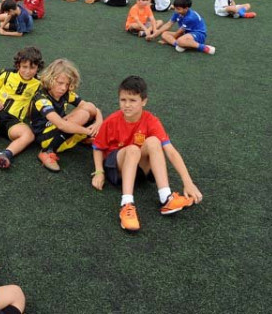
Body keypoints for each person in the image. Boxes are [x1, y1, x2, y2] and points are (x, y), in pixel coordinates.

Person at [91, 76, 203, 232]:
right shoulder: (112, 121)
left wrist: (188, 182)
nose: (127, 105)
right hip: (117, 169)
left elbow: (170, 151)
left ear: (143, 101)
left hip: (140, 170)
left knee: (153, 142)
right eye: (123, 100)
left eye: (132, 100)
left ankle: (166, 198)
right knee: (133, 149)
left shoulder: (151, 120)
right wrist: (99, 172)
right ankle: (127, 205)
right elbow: (97, 147)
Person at [30, 59, 102, 172]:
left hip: (60, 129)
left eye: (67, 84)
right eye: (60, 83)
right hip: (45, 137)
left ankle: (84, 138)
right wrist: (89, 131)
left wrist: (99, 123)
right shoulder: (41, 98)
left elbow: (92, 107)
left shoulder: (65, 94)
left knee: (89, 108)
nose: (63, 88)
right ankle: (47, 151)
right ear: (50, 79)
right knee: (82, 114)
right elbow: (61, 125)